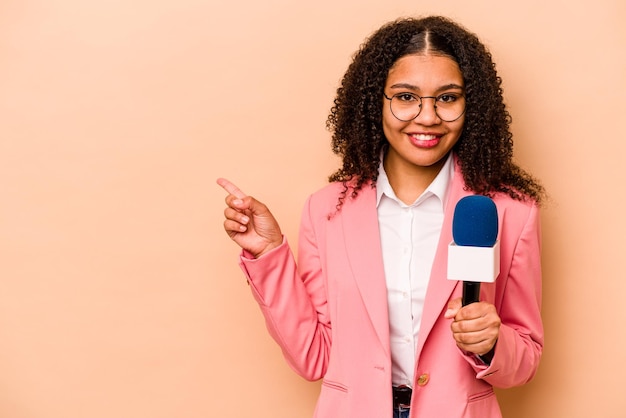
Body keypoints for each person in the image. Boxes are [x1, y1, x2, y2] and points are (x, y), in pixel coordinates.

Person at [218, 15, 545, 418]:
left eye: (447, 97)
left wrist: (492, 342)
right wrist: (268, 255)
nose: (427, 117)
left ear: (471, 105)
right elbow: (313, 358)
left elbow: (525, 359)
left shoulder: (510, 212)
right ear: (376, 101)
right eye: (406, 97)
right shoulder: (327, 211)